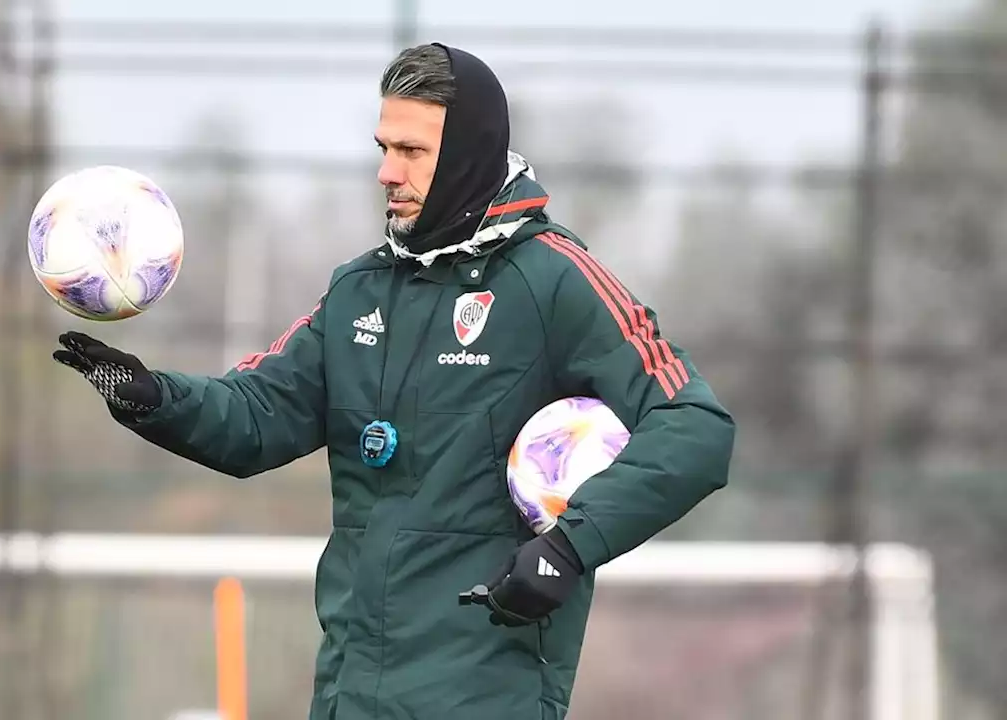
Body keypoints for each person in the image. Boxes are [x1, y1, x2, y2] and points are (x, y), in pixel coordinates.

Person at [54, 43, 736, 720]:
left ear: (470, 152)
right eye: (384, 147)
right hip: (350, 690)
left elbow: (694, 428)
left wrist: (567, 548)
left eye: (412, 152)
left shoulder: (554, 281)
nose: (387, 171)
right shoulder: (360, 289)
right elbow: (257, 416)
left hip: (483, 693)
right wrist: (149, 397)